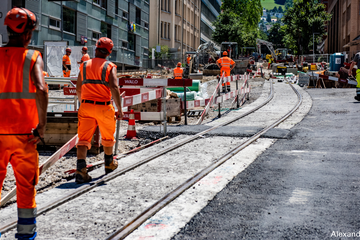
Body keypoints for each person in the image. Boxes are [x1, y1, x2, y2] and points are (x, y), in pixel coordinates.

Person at [0, 7, 48, 240]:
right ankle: (26, 235)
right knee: (25, 188)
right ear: (27, 33)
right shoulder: (33, 57)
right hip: (24, 135)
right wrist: (42, 125)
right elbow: (40, 88)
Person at [75, 37, 124, 183]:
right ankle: (109, 164)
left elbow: (78, 88)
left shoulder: (84, 65)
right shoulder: (110, 66)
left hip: (86, 106)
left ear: (95, 48)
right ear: (109, 52)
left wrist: (83, 102)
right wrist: (120, 109)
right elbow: (114, 87)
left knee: (83, 139)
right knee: (108, 136)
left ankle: (80, 170)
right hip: (103, 106)